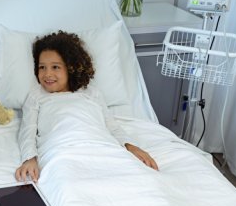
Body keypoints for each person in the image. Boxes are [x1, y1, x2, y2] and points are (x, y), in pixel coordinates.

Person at [15, 30, 158, 182]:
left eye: (55, 67)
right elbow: (27, 130)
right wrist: (29, 158)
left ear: (71, 67)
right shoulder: (37, 95)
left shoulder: (91, 93)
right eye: (42, 67)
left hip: (102, 145)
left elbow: (111, 126)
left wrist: (131, 146)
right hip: (62, 148)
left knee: (133, 180)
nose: (47, 74)